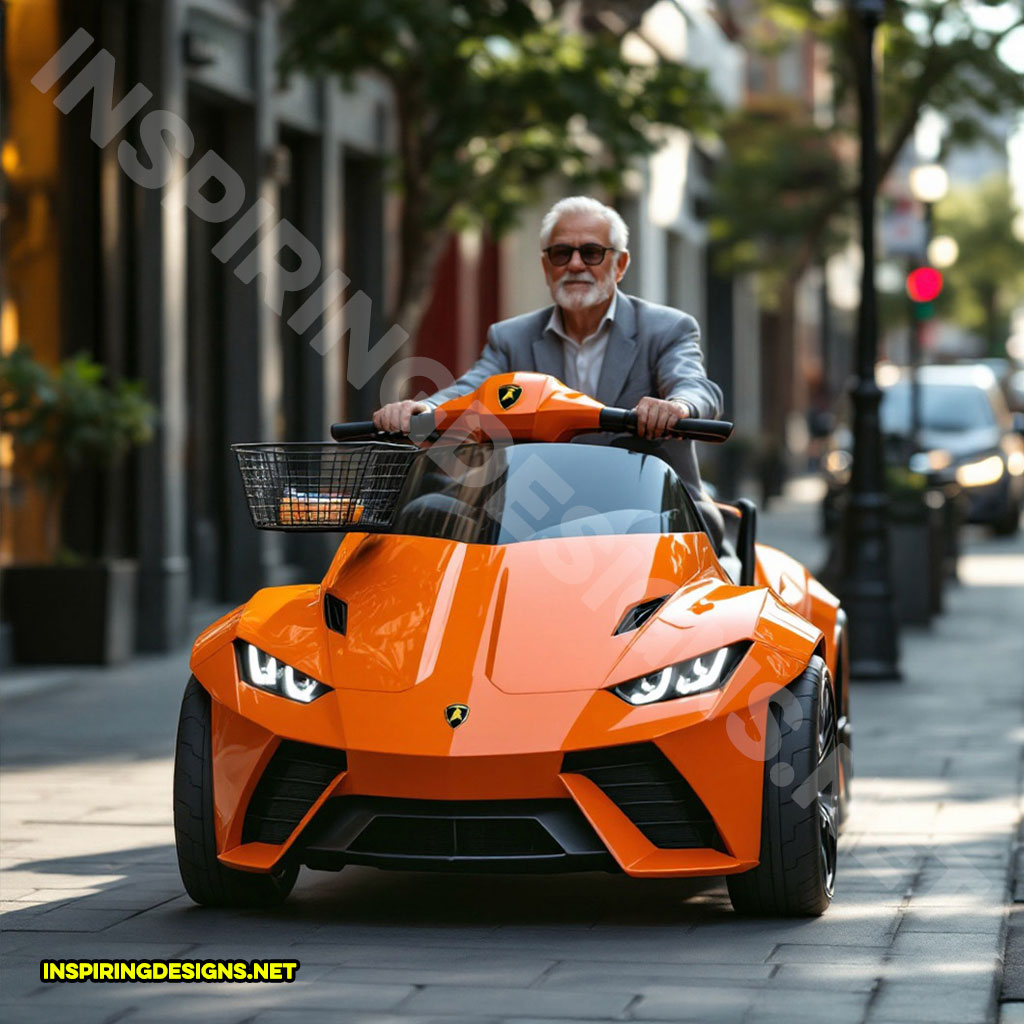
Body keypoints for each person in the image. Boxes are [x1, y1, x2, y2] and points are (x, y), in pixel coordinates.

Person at [374, 195, 724, 538]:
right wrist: (424, 409)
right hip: (536, 520)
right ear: (546, 267)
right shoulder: (511, 337)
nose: (575, 265)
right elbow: (472, 389)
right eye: (561, 253)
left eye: (591, 252)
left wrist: (677, 407)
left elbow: (694, 384)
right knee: (428, 514)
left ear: (619, 265)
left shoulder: (668, 328)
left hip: (651, 512)